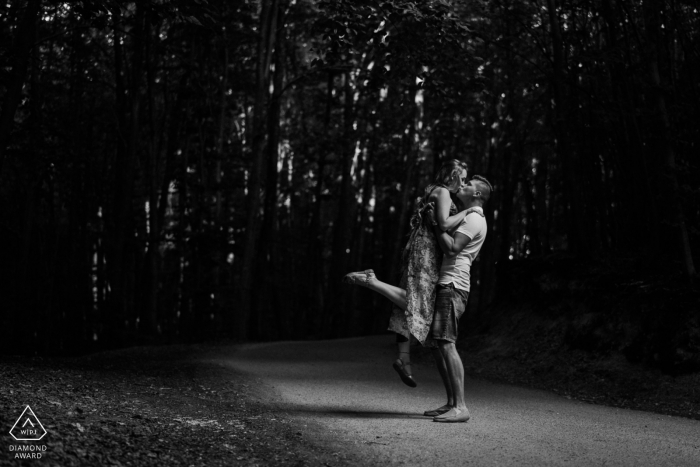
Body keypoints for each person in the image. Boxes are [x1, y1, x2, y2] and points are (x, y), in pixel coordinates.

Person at [343, 160, 472, 388]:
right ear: (452, 175)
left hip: (417, 248)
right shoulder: (443, 192)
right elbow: (442, 223)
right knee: (418, 302)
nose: (463, 183)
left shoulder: (432, 189)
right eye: (462, 177)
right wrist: (468, 212)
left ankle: (404, 360)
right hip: (427, 252)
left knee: (405, 302)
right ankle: (371, 280)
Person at [423, 175, 492, 423]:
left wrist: (433, 224)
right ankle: (452, 402)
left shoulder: (474, 218)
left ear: (477, 195)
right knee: (438, 344)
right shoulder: (467, 215)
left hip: (454, 285)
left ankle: (461, 407)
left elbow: (452, 248)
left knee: (446, 342)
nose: (462, 185)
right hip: (448, 282)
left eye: (468, 184)